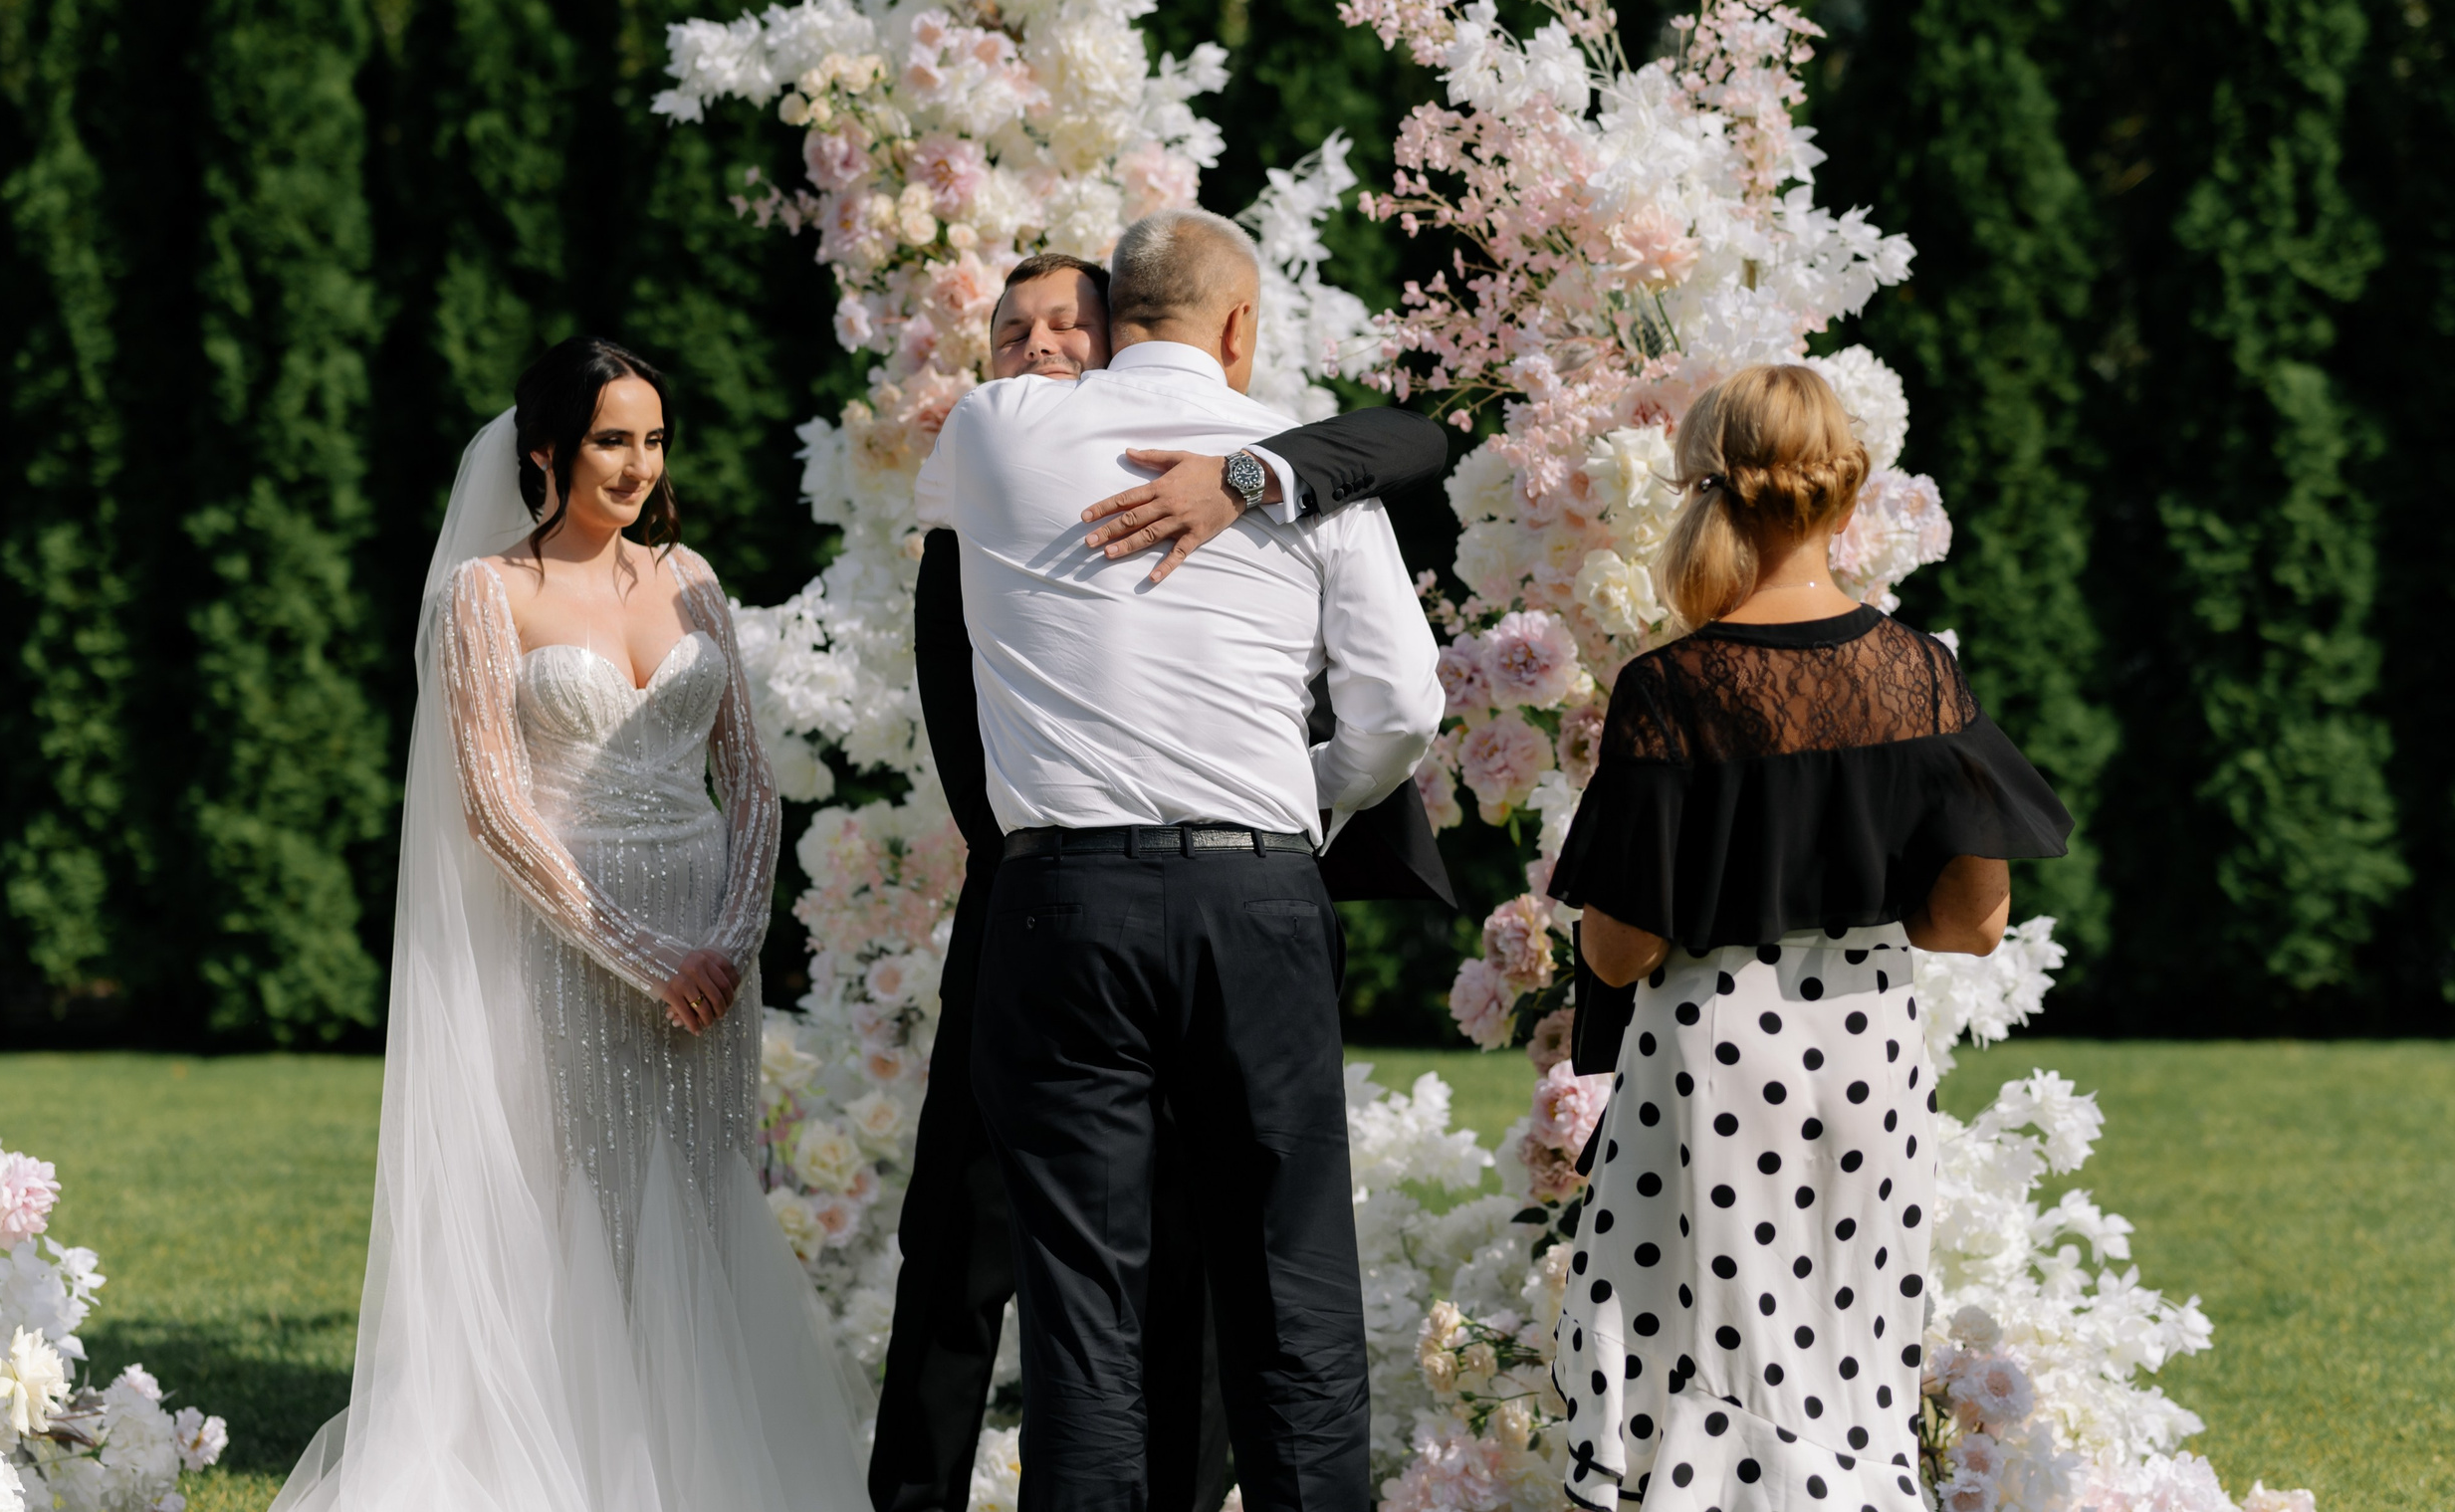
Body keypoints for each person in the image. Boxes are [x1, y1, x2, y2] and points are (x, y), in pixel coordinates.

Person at [875, 253, 1454, 1512]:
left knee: (1084, 1314)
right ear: (1240, 322)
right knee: (1293, 1286)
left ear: (1108, 322)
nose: (1035, 347)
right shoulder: (1306, 470)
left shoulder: (993, 427)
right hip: (1254, 896)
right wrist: (1305, 791)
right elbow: (1405, 701)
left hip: (1063, 901)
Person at [273, 338, 870, 1512]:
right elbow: (493, 806)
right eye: (612, 438)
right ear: (546, 449)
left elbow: (750, 779)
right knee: (586, 1197)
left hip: (710, 943)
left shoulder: (690, 574)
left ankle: (701, 1467)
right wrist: (648, 958)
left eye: (653, 438)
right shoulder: (487, 592)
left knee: (698, 1196)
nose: (638, 463)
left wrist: (732, 937)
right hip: (576, 941)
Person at [1542, 364, 2073, 1508]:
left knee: (1708, 1361)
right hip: (1865, 1056)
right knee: (1846, 1364)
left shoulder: (1669, 689)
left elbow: (1620, 951)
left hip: (1716, 1060)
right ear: (1845, 494)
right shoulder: (1920, 675)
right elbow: (1976, 919)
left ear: (1706, 493)